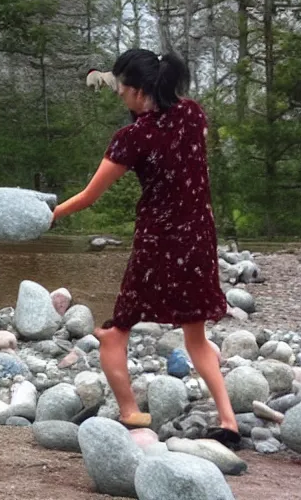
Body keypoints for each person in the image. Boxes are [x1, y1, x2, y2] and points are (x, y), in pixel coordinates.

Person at [52, 49, 240, 447]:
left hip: (158, 244)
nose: (119, 96)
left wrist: (51, 214)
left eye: (121, 90)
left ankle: (130, 414)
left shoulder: (133, 138)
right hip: (199, 239)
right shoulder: (192, 114)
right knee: (196, 335)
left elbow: (89, 196)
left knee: (115, 332)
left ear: (138, 91)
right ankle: (229, 423)